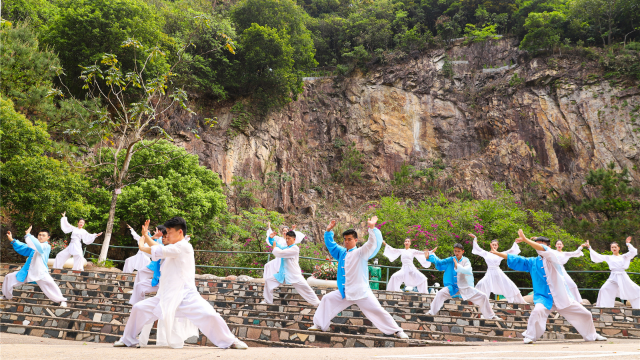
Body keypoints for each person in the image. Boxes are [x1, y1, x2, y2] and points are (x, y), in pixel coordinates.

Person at [114, 217, 248, 349]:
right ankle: (127, 339)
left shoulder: (184, 246)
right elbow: (158, 249)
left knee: (210, 315)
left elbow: (159, 249)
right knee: (139, 308)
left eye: (170, 232)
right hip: (166, 296)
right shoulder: (173, 247)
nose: (167, 235)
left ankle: (231, 341)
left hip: (187, 295)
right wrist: (144, 240)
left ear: (180, 232)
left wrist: (144, 240)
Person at [496, 230, 607, 344]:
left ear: (548, 246)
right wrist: (496, 253)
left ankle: (592, 335)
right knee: (537, 311)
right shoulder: (533, 262)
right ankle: (529, 336)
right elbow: (516, 259)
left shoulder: (553, 255)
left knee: (586, 314)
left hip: (561, 296)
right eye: (537, 244)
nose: (538, 247)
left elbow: (542, 249)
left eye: (541, 244)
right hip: (543, 297)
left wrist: (525, 240)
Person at [308, 217, 409, 339]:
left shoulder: (362, 252)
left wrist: (371, 228)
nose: (346, 242)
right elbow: (332, 245)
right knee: (326, 299)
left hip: (362, 292)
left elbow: (371, 243)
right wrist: (328, 231)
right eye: (345, 239)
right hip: (345, 292)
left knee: (378, 310)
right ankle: (318, 324)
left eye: (349, 239)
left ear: (355, 240)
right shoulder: (342, 252)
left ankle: (397, 331)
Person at [425, 243, 497, 319]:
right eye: (455, 251)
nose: (457, 253)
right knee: (440, 293)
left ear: (463, 251)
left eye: (459, 251)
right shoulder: (451, 260)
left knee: (483, 296)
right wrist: (429, 257)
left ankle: (491, 316)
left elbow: (467, 270)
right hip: (452, 287)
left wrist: (458, 266)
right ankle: (431, 313)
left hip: (465, 287)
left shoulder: (466, 261)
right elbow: (440, 262)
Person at [1, 227, 67, 307]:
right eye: (39, 235)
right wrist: (12, 240)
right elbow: (24, 247)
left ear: (48, 237)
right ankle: (6, 296)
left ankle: (61, 300)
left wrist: (28, 235)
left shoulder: (46, 246)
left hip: (40, 273)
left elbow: (38, 247)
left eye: (43, 235)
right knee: (9, 277)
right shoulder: (34, 247)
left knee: (51, 284)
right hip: (28, 272)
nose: (41, 237)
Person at [261, 230, 320, 306]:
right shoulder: (286, 247)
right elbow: (279, 245)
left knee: (307, 290)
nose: (287, 240)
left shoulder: (295, 249)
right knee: (268, 281)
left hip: (294, 275)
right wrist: (271, 239)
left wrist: (274, 248)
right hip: (283, 274)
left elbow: (280, 253)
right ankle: (267, 301)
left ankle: (318, 303)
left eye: (289, 238)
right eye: (286, 238)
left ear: (294, 239)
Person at [585, 237, 639, 309]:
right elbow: (597, 256)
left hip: (622, 275)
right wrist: (589, 247)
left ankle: (638, 306)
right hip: (613, 276)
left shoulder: (624, 256)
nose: (614, 248)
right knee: (604, 289)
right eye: (612, 247)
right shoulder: (609, 257)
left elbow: (633, 252)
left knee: (635, 289)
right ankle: (605, 307)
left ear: (618, 248)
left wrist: (628, 244)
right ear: (610, 249)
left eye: (615, 247)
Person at [471, 234, 527, 303]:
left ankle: (520, 301)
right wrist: (475, 238)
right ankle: (479, 301)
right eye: (493, 244)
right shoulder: (486, 253)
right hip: (489, 273)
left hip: (498, 272)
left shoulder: (500, 254)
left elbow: (511, 251)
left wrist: (515, 243)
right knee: (480, 284)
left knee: (510, 284)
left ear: (497, 246)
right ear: (490, 245)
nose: (494, 246)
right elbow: (477, 248)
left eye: (495, 245)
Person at [129, 225, 167, 305]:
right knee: (140, 283)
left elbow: (154, 247)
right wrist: (150, 237)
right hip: (156, 268)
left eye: (166, 237)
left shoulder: (169, 246)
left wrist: (143, 244)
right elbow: (147, 244)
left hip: (165, 279)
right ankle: (136, 300)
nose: (164, 238)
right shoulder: (160, 241)